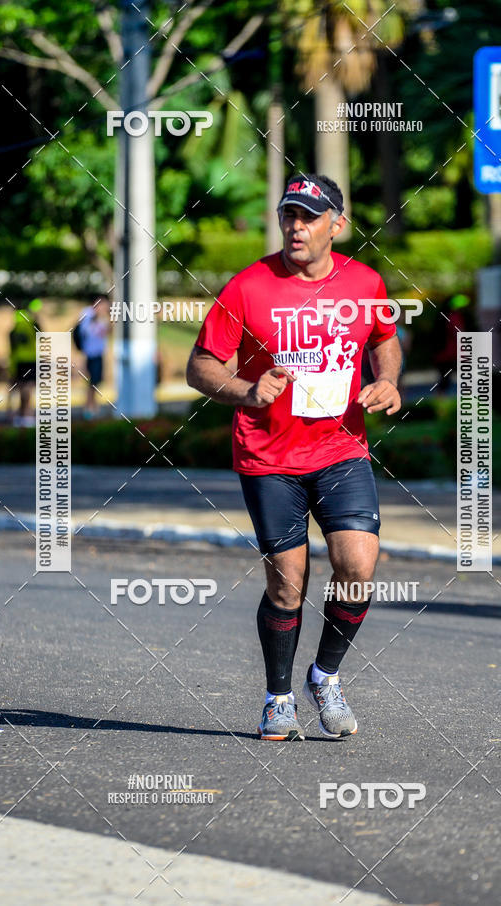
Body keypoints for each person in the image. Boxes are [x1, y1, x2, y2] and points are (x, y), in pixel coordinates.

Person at [186, 174, 402, 741]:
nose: (296, 226)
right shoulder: (249, 286)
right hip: (268, 457)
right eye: (289, 215)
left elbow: (383, 338)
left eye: (309, 216)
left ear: (338, 223)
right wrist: (245, 391)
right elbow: (201, 365)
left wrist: (388, 381)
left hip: (341, 451)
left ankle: (324, 676)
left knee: (356, 568)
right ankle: (278, 697)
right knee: (289, 584)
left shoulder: (365, 282)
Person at [8, 298, 43, 426]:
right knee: (28, 387)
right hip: (30, 359)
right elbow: (41, 334)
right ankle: (27, 414)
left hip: (18, 360)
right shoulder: (31, 321)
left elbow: (12, 343)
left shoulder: (16, 323)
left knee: (19, 387)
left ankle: (18, 414)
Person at [77, 295, 110, 418]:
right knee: (92, 382)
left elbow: (107, 332)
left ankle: (92, 406)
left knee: (96, 382)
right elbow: (85, 331)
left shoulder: (104, 317)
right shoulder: (88, 313)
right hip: (90, 353)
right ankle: (89, 408)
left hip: (98, 352)